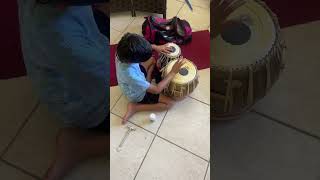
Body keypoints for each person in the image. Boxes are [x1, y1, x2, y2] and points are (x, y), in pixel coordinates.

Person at [17, 1, 109, 179]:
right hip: (84, 104)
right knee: (132, 115)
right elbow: (111, 78)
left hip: (64, 68)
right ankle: (79, 147)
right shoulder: (65, 41)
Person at [116, 33, 186, 124]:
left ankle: (147, 78)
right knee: (170, 103)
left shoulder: (122, 50)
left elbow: (137, 46)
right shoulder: (131, 76)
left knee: (152, 60)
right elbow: (157, 90)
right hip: (137, 94)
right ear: (135, 60)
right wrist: (173, 72)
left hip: (135, 76)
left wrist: (156, 47)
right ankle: (135, 107)